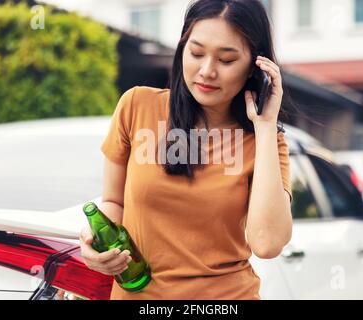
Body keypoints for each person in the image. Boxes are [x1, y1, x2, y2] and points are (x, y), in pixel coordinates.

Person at [80, 0, 293, 300]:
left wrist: (266, 124)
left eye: (227, 60)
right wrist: (93, 244)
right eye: (196, 53)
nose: (207, 71)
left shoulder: (266, 141)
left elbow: (267, 243)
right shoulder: (136, 106)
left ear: (253, 68)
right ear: (182, 50)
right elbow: (114, 202)